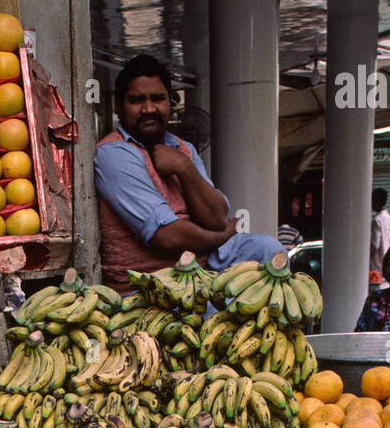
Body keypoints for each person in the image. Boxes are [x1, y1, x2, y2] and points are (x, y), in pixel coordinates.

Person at [94, 54, 283, 292]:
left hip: (201, 267)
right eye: (136, 100)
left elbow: (215, 219)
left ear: (170, 103)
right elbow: (167, 237)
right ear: (118, 108)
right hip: (152, 283)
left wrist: (184, 168)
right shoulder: (113, 154)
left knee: (269, 250)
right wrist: (219, 238)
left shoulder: (183, 149)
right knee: (222, 314)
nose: (149, 108)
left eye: (158, 98)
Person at [369, 188, 390, 284]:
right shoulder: (389, 218)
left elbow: (374, 245)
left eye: (373, 199)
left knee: (374, 292)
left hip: (375, 267)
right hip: (386, 265)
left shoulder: (377, 220)